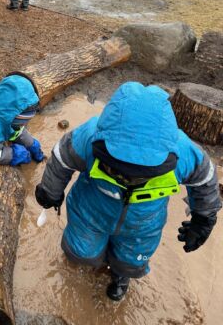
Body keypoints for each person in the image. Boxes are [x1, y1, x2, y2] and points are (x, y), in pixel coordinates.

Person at [35, 82, 221, 301]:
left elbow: (205, 179)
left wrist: (203, 218)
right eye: (119, 169)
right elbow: (62, 158)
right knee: (81, 250)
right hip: (90, 212)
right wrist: (50, 190)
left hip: (143, 224)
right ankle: (91, 261)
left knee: (131, 260)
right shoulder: (90, 135)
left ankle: (121, 276)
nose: (128, 178)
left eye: (141, 173)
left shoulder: (182, 151)